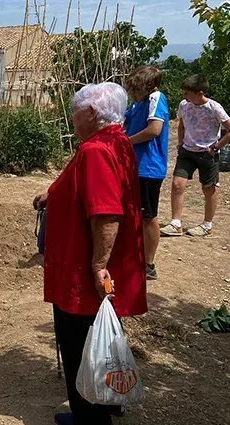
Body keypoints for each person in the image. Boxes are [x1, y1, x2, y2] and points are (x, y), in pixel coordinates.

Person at [33, 83, 147, 425]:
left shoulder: (95, 150)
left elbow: (106, 212)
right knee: (103, 337)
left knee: (80, 343)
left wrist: (98, 265)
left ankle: (89, 418)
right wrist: (55, 192)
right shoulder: (117, 141)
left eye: (75, 112)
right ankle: (111, 401)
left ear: (91, 113)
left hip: (82, 271)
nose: (71, 118)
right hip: (99, 264)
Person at [160, 74, 230, 237]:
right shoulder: (184, 105)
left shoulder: (214, 108)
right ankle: (176, 223)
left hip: (208, 154)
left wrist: (217, 146)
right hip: (187, 151)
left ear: (199, 93)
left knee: (209, 188)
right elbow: (181, 125)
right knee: (177, 184)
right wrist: (180, 143)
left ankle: (207, 225)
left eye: (187, 93)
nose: (184, 96)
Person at [123, 65, 169, 280]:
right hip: (133, 167)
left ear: (149, 86)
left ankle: (148, 264)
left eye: (136, 89)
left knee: (148, 216)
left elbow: (154, 130)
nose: (133, 93)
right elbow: (122, 123)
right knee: (134, 215)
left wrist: (125, 142)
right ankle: (135, 257)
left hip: (148, 169)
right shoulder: (137, 104)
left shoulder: (156, 98)